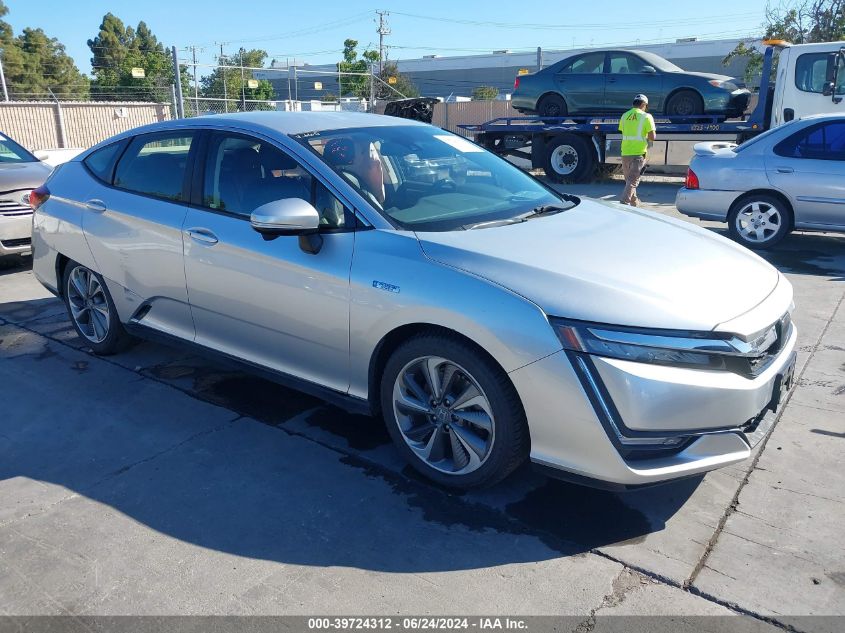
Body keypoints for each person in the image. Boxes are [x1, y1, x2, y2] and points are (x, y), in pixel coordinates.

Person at [618, 93, 656, 207]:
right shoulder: (646, 116)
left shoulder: (624, 116)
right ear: (644, 104)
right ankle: (624, 203)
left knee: (629, 182)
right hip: (638, 153)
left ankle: (635, 203)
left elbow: (623, 131)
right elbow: (652, 137)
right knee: (633, 181)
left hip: (625, 152)